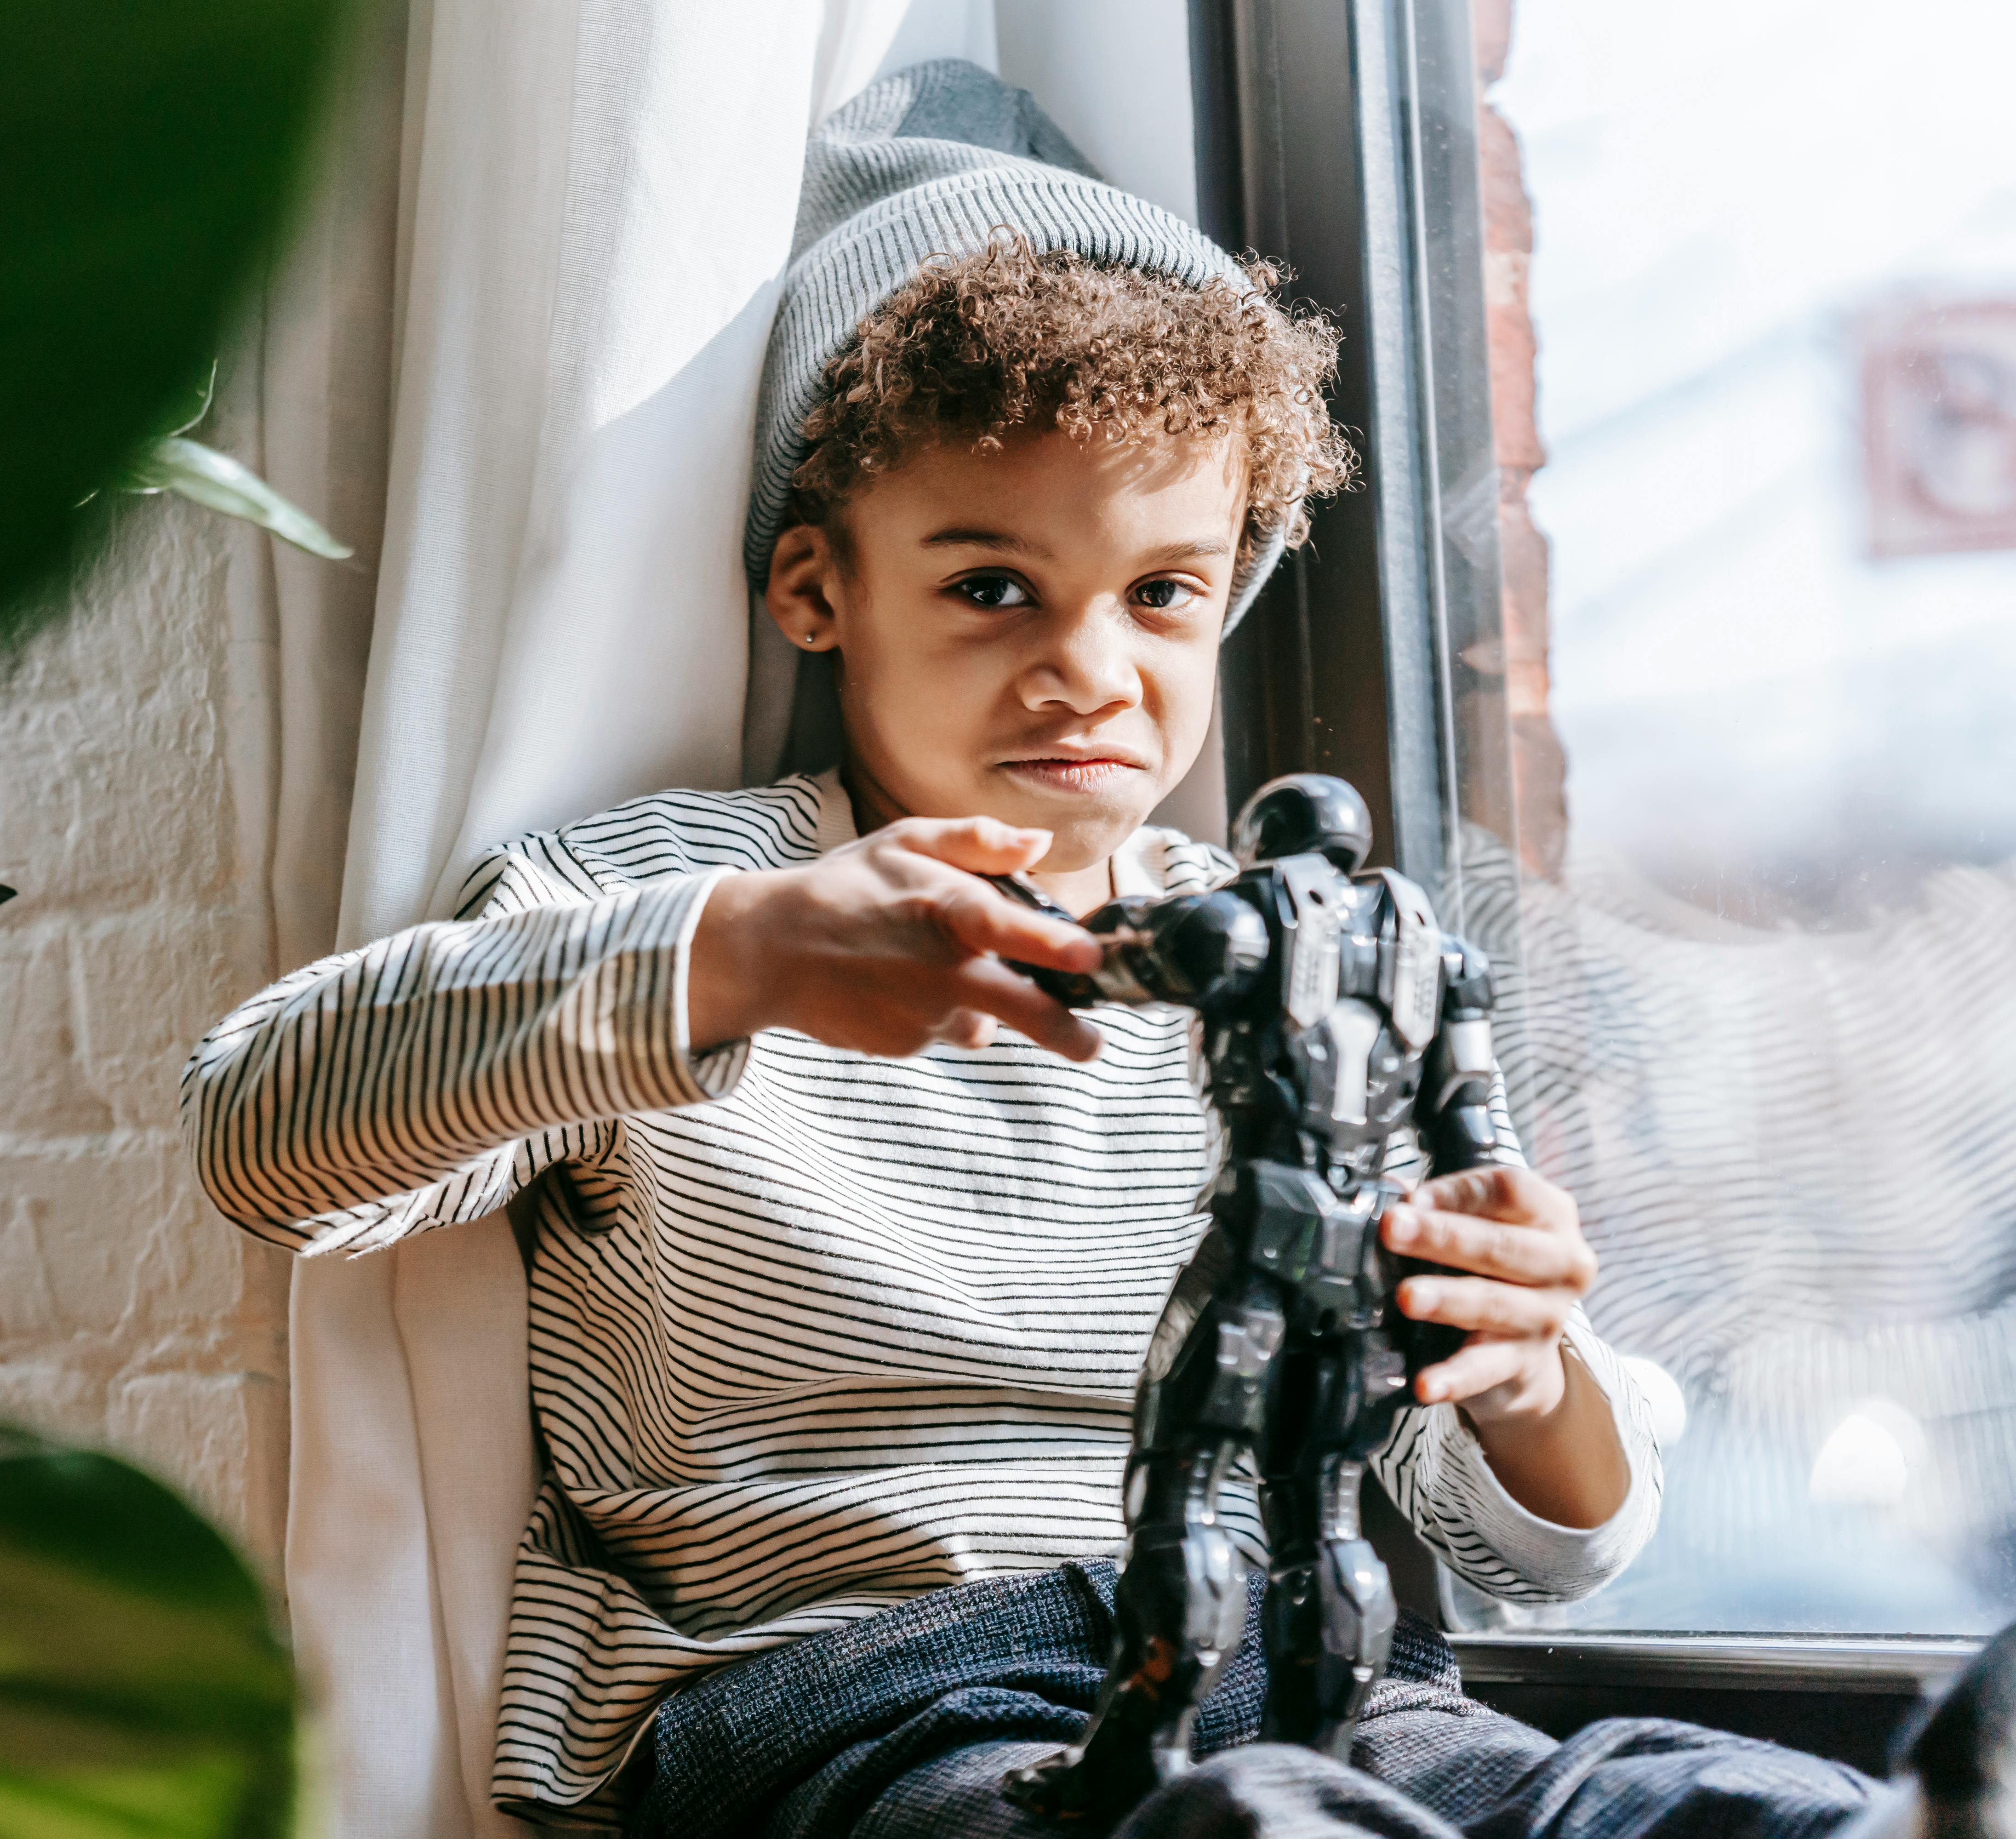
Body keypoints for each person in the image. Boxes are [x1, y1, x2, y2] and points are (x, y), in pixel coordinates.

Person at [182, 58, 1994, 1839]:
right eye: (992, 586)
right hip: (862, 1698)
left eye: (1162, 595)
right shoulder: (668, 890)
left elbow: (1534, 1545)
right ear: (817, 589)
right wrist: (740, 961)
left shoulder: (1310, 967)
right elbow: (266, 1137)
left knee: (1655, 1799)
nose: (1091, 668)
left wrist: (1531, 1378)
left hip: (1310, 1663)